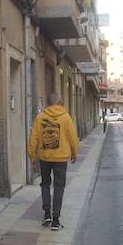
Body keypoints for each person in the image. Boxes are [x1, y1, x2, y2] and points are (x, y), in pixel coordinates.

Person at [27, 92, 79, 231]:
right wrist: (74, 153)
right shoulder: (66, 117)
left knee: (45, 184)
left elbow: (33, 138)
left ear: (48, 103)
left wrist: (32, 157)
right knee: (59, 187)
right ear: (59, 101)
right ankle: (56, 220)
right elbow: (73, 138)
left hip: (45, 157)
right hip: (61, 158)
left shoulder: (40, 117)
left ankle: (46, 214)